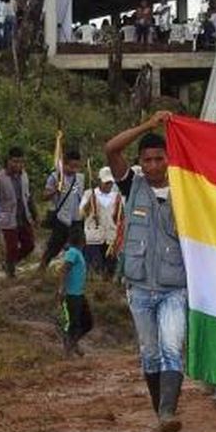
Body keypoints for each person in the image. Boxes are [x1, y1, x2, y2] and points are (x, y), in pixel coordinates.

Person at [105, 111, 187, 432]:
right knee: (150, 354)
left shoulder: (186, 191)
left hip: (174, 287)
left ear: (169, 159)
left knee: (172, 347)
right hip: (138, 287)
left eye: (159, 159)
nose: (153, 166)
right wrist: (148, 125)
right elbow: (111, 148)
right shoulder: (132, 186)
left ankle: (167, 412)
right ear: (140, 162)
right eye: (147, 160)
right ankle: (161, 415)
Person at [39, 149, 86, 271]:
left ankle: (72, 271)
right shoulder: (55, 177)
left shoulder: (80, 178)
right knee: (54, 247)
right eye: (71, 166)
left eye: (76, 167)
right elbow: (44, 196)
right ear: (64, 164)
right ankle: (42, 267)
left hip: (77, 218)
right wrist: (55, 190)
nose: (74, 170)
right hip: (61, 218)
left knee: (77, 246)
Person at [0, 147, 38, 278]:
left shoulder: (24, 175)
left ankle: (10, 263)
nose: (17, 165)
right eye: (14, 161)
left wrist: (35, 214)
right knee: (12, 247)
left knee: (29, 245)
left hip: (24, 216)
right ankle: (10, 271)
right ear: (8, 161)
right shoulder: (0, 177)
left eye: (20, 162)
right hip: (8, 217)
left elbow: (28, 196)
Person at [56, 227, 93, 358]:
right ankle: (69, 350)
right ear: (82, 240)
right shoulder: (72, 252)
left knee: (87, 322)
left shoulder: (77, 252)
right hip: (71, 294)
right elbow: (65, 269)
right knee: (74, 323)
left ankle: (73, 343)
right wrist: (62, 288)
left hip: (79, 294)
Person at [79, 167, 122, 278]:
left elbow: (121, 217)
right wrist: (89, 204)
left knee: (110, 270)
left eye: (110, 182)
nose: (108, 185)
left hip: (111, 238)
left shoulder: (117, 197)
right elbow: (81, 213)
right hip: (94, 238)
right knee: (95, 268)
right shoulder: (89, 194)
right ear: (99, 181)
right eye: (106, 182)